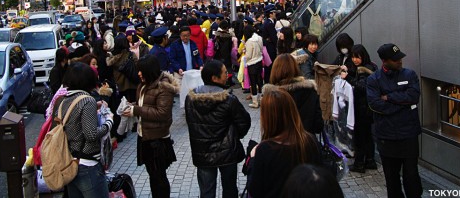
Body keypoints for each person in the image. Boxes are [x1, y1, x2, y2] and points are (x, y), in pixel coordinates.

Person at [184, 60, 251, 198]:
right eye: (225, 73)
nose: (228, 75)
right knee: (229, 189)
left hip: (203, 153)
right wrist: (234, 135)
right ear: (214, 78)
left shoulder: (190, 99)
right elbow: (244, 122)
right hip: (227, 152)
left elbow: (192, 124)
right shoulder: (229, 99)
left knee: (207, 191)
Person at [367, 44, 422, 198]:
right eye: (395, 59)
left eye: (400, 58)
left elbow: (413, 97)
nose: (400, 61)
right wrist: (403, 105)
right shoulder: (374, 79)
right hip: (387, 136)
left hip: (409, 134)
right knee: (392, 178)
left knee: (412, 176)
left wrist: (389, 97)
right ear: (384, 61)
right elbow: (375, 104)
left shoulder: (409, 75)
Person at [246, 89, 322, 198]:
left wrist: (252, 160)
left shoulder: (265, 150)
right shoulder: (310, 141)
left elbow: (254, 189)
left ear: (267, 117)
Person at [53, 62, 113, 198]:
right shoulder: (87, 101)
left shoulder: (63, 100)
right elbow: (91, 134)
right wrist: (109, 122)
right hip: (88, 165)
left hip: (69, 163)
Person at [122, 55, 179, 198]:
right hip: (144, 136)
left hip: (157, 140)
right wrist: (132, 107)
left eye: (141, 71)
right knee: (153, 176)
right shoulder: (143, 85)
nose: (138, 73)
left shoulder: (163, 87)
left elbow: (162, 114)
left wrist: (137, 110)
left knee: (159, 177)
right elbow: (144, 105)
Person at [263, 54, 323, 135]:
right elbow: (318, 126)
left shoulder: (270, 96)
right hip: (306, 143)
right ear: (295, 68)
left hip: (279, 144)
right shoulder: (310, 91)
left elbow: (268, 128)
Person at [347, 44, 378, 173]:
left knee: (360, 136)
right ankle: (370, 161)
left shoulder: (364, 69)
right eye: (353, 57)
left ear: (363, 56)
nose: (355, 60)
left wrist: (347, 78)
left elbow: (362, 86)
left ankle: (359, 163)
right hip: (368, 108)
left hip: (362, 108)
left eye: (357, 57)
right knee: (368, 136)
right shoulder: (371, 66)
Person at [243, 25, 264, 109]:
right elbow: (262, 48)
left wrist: (244, 52)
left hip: (252, 63)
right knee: (260, 81)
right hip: (259, 61)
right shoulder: (259, 38)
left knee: (253, 82)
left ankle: (255, 102)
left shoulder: (249, 42)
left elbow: (248, 55)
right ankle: (261, 99)